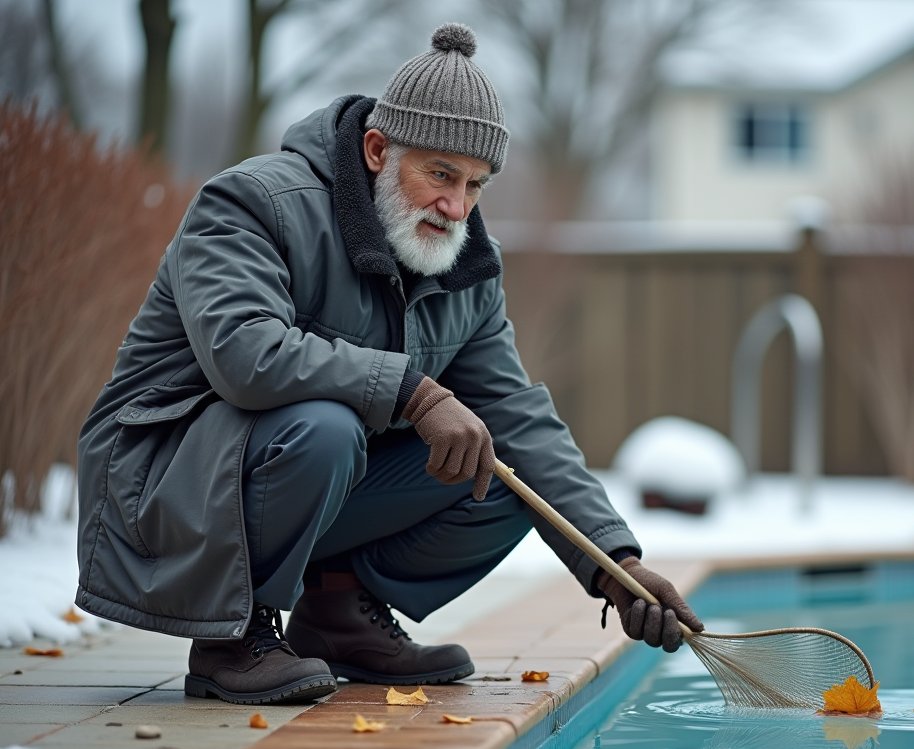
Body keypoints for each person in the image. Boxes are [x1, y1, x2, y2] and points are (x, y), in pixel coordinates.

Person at [75, 23, 703, 705]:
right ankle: (231, 638)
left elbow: (518, 415)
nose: (456, 206)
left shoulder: (463, 267)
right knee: (326, 426)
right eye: (439, 174)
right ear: (377, 149)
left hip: (289, 476)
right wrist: (411, 390)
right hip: (164, 481)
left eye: (475, 184)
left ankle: (339, 611)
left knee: (504, 470)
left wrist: (616, 562)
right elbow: (244, 354)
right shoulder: (253, 203)